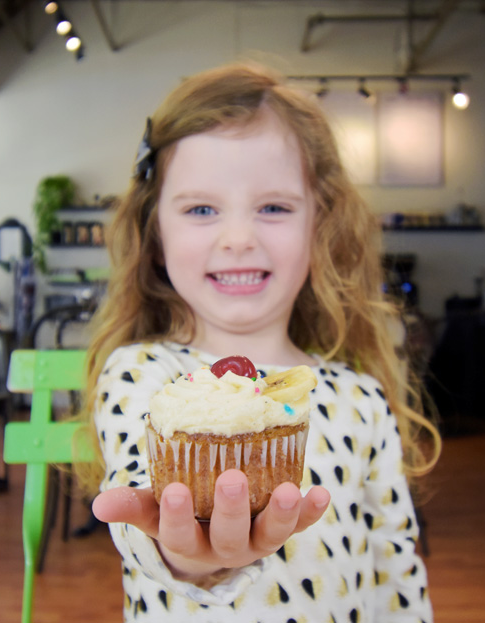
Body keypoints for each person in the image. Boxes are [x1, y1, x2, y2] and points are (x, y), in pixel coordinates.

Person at [81, 62, 442, 622]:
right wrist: (188, 555)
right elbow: (138, 484)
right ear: (155, 235)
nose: (239, 239)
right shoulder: (142, 376)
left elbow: (396, 569)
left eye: (273, 207)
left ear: (319, 227)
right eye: (202, 209)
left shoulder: (360, 398)